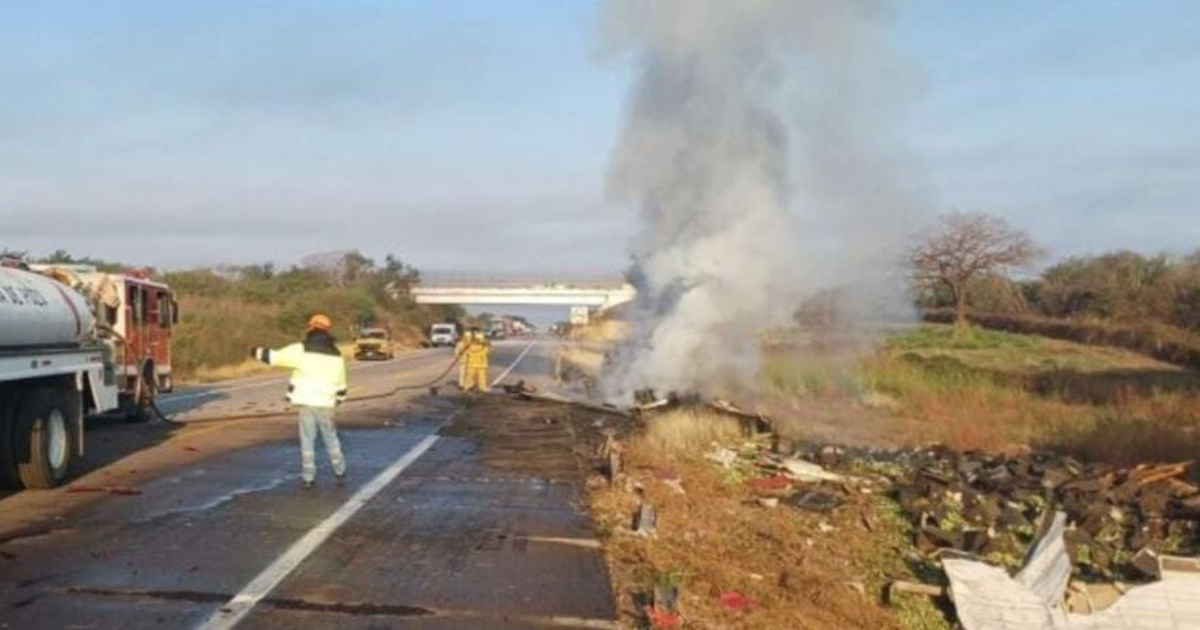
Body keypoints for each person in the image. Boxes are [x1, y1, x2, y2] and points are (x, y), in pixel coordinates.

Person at [251, 313, 348, 489]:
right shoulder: (337, 354)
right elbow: (341, 384)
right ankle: (340, 470)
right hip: (326, 403)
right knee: (331, 437)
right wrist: (338, 400)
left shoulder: (301, 349)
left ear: (312, 328)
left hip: (306, 402)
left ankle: (308, 477)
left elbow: (274, 357)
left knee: (307, 439)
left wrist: (255, 351)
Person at [461, 326, 491, 393]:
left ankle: (467, 388)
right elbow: (488, 349)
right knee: (482, 377)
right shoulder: (482, 339)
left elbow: (463, 348)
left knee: (469, 376)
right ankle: (482, 388)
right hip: (481, 361)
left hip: (471, 361)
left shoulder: (467, 337)